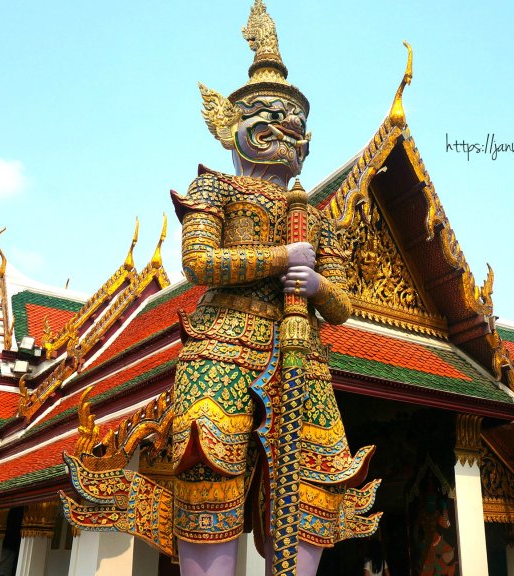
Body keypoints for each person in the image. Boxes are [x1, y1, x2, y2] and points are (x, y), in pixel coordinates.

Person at [170, 1, 379, 575]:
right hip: (221, 347)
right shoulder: (215, 190)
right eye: (268, 112)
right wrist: (281, 257)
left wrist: (314, 283)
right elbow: (199, 262)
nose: (286, 124)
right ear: (228, 126)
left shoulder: (321, 217)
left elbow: (342, 306)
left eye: (294, 117)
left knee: (311, 492)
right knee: (209, 477)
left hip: (302, 360)